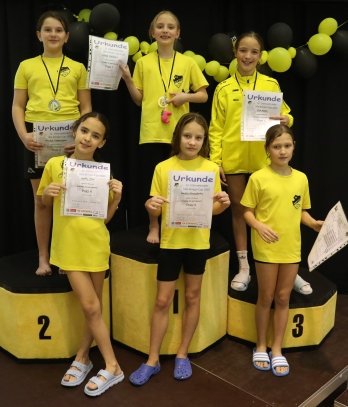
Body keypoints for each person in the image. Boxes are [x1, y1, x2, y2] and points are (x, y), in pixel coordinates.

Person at [129, 113, 230, 385]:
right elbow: (155, 205)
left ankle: (182, 354)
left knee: (192, 297)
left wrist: (223, 204)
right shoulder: (163, 167)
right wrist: (150, 207)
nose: (192, 142)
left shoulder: (211, 168)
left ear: (204, 140)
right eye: (187, 136)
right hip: (171, 242)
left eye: (198, 137)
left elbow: (213, 208)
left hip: (198, 242)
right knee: (162, 301)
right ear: (177, 137)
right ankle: (152, 359)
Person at [209, 31, 312, 295]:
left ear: (261, 56)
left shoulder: (270, 84)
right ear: (235, 52)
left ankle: (288, 267)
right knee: (238, 211)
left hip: (264, 159)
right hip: (233, 159)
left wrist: (288, 119)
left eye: (253, 52)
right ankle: (244, 267)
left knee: (274, 211)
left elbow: (286, 114)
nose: (248, 56)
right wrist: (215, 161)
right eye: (243, 50)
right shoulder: (223, 88)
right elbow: (216, 128)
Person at [37, 112, 124, 395]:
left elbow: (104, 218)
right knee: (90, 307)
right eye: (84, 131)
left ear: (102, 142)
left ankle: (83, 357)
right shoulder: (55, 164)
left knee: (93, 307)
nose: (87, 138)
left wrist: (117, 199)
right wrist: (48, 193)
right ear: (75, 131)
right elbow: (43, 204)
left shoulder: (104, 173)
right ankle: (113, 365)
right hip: (68, 247)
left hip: (96, 245)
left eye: (95, 135)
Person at [12, 11, 91, 276]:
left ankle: (67, 258)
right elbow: (17, 106)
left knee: (71, 199)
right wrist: (24, 136)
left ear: (67, 36)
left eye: (58, 30)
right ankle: (44, 258)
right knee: (42, 201)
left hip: (71, 140)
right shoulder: (26, 66)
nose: (53, 34)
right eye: (48, 30)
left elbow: (86, 108)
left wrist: (81, 139)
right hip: (37, 140)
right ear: (39, 35)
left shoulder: (78, 68)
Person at [241, 124, 323, 376]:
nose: (282, 151)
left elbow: (301, 211)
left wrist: (314, 224)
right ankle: (260, 345)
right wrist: (258, 226)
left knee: (283, 297)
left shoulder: (301, 178)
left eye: (287, 145)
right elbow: (246, 211)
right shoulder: (258, 178)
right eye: (277, 146)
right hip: (266, 247)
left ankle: (277, 348)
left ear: (294, 147)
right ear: (267, 149)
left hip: (291, 247)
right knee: (266, 296)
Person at [120, 10, 209, 243]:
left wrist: (185, 97)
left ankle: (179, 224)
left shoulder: (188, 62)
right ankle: (154, 226)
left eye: (170, 27)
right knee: (154, 186)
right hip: (152, 133)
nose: (165, 30)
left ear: (178, 33)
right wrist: (128, 79)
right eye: (160, 26)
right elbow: (139, 100)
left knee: (179, 183)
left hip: (181, 136)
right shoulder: (143, 62)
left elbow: (203, 95)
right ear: (152, 32)